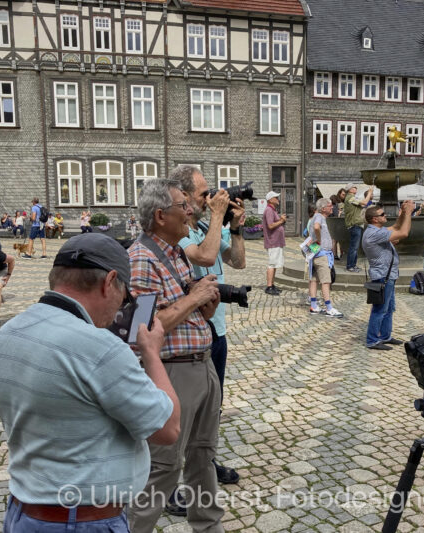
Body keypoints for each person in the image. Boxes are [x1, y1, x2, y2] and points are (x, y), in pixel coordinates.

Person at [0, 233, 180, 532]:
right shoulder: (99, 347)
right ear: (110, 281)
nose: (121, 308)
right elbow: (168, 429)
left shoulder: (10, 332)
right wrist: (151, 353)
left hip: (23, 514)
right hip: (83, 520)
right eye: (125, 296)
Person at [126, 179, 224, 533]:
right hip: (170, 373)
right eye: (183, 205)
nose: (190, 211)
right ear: (160, 215)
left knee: (203, 456)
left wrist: (204, 306)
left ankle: (209, 527)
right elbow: (142, 329)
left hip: (202, 364)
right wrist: (194, 299)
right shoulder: (140, 258)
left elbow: (187, 315)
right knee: (164, 467)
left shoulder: (176, 253)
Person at [173, 165, 246, 501]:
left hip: (217, 330)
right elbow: (204, 254)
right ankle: (170, 481)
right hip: (188, 333)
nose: (209, 198)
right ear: (183, 195)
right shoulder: (180, 232)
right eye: (203, 193)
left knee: (212, 406)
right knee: (182, 410)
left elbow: (238, 262)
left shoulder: (205, 224)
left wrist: (236, 227)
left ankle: (205, 461)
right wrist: (218, 216)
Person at [361, 200, 414, 350]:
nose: (385, 216)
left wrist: (403, 213)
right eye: (382, 214)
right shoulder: (373, 233)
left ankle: (385, 336)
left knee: (389, 308)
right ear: (374, 219)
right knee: (380, 309)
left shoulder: (377, 231)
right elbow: (403, 232)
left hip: (389, 274)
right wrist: (409, 213)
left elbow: (397, 226)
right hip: (382, 276)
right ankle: (372, 340)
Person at [307, 198, 344, 317]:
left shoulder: (318, 217)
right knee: (326, 281)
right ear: (323, 209)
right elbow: (317, 227)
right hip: (322, 254)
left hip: (316, 253)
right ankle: (329, 308)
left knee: (314, 280)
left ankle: (314, 306)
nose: (332, 207)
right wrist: (319, 240)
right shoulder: (319, 217)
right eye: (330, 206)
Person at [343, 183, 374, 272]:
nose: (356, 188)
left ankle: (353, 265)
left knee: (355, 247)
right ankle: (350, 266)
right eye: (354, 187)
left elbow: (364, 204)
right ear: (350, 189)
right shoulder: (350, 198)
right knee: (354, 247)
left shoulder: (353, 198)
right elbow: (365, 202)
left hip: (357, 225)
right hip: (354, 225)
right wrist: (369, 192)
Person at [262, 191, 287, 295]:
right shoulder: (269, 210)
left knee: (275, 263)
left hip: (276, 241)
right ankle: (269, 286)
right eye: (276, 197)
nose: (278, 199)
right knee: (272, 264)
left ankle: (272, 284)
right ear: (270, 200)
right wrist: (281, 221)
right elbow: (270, 225)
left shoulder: (273, 210)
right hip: (273, 241)